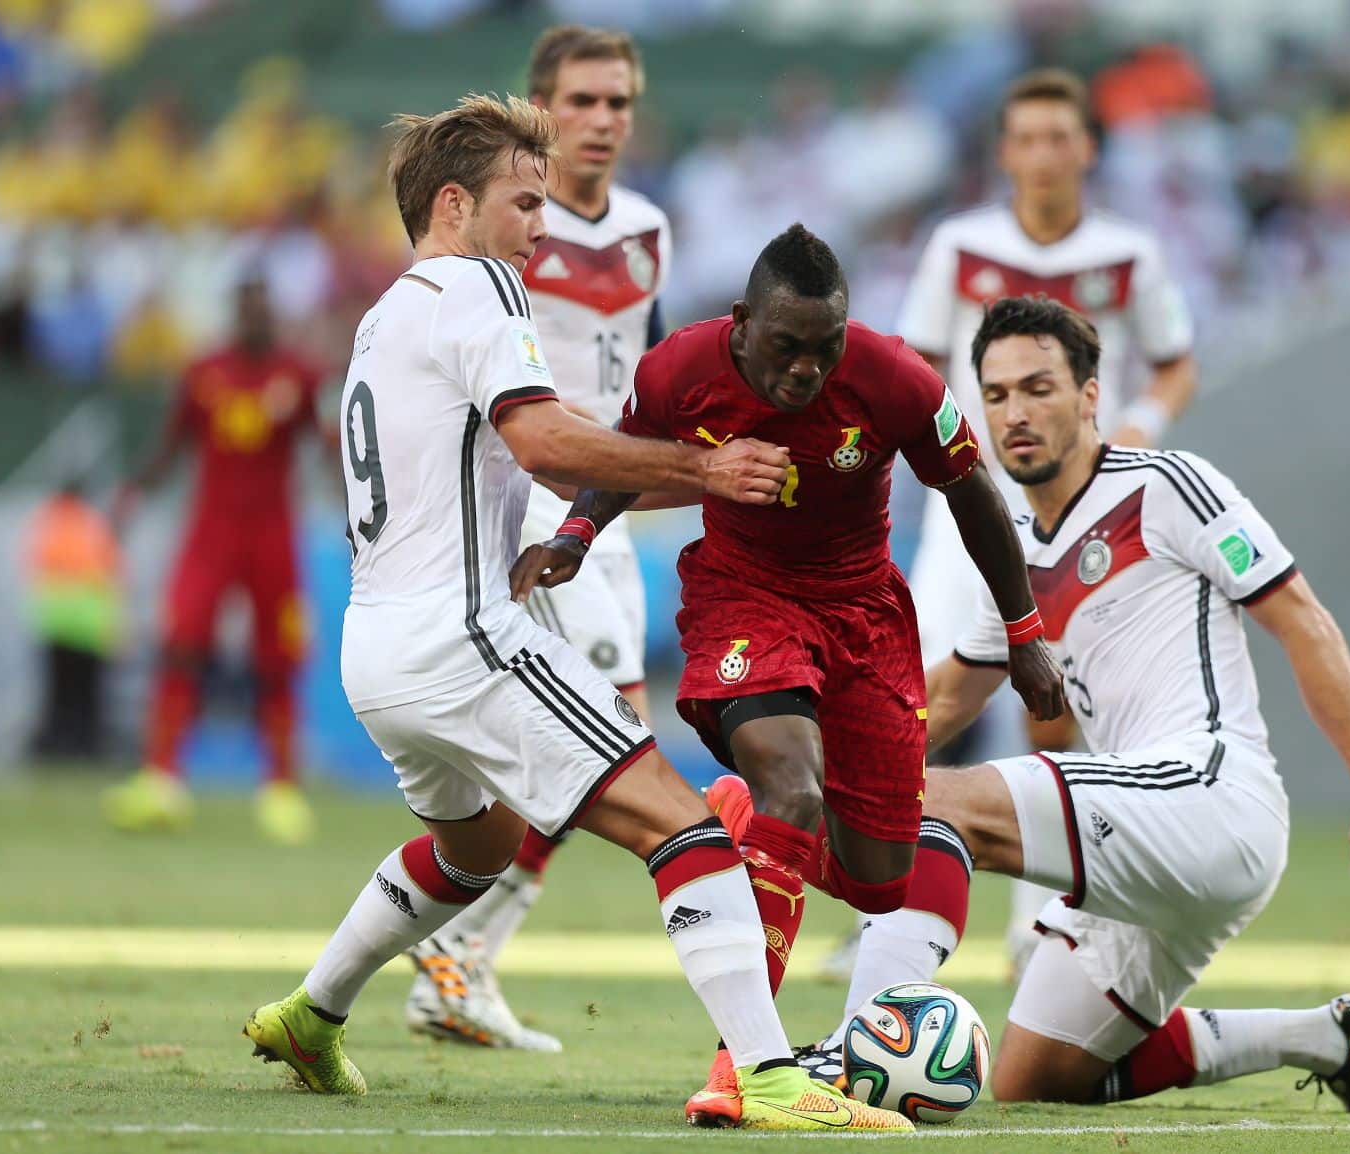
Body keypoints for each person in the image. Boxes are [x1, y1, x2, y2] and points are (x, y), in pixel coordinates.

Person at [237, 95, 912, 1132]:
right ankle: (771, 1074)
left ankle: (311, 1010)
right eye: (525, 202)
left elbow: (544, 456)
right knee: (683, 825)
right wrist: (702, 461)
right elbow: (548, 442)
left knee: (477, 846)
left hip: (376, 646)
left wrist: (702, 479)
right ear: (454, 204)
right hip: (465, 634)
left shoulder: (388, 312)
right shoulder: (478, 288)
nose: (543, 227)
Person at [762, 295, 1350, 1110]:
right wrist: (805, 764)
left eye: (1038, 387)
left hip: (1212, 797)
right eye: (995, 395)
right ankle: (1323, 1038)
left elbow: (1303, 622)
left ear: (1090, 395)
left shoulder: (1167, 487)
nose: (1016, 413)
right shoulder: (1013, 546)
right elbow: (942, 697)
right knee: (1034, 1077)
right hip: (1140, 839)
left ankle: (853, 1050)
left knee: (935, 806)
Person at [514, 223, 1065, 1127]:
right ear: (740, 325)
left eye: (823, 347)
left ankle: (744, 824)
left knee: (880, 879)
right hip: (746, 596)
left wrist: (1025, 631)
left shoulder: (895, 381)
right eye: (786, 347)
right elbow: (626, 451)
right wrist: (575, 537)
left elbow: (975, 497)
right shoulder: (676, 370)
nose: (806, 369)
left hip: (864, 616)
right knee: (792, 783)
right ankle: (748, 1069)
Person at [881, 68, 1202, 975]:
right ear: (1004, 151)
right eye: (1027, 138)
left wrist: (1137, 427)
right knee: (929, 686)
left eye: (1060, 137)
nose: (1043, 155)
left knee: (1062, 702)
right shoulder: (961, 245)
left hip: (1084, 504)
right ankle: (880, 884)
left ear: (1088, 148)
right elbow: (916, 363)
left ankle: (1038, 917)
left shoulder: (1129, 253)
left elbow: (1176, 363)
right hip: (974, 504)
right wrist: (947, 454)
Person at [402, 23, 671, 1055]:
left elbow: (639, 370)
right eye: (582, 101)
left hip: (602, 512)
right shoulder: (505, 229)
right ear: (540, 105)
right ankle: (457, 952)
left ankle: (457, 953)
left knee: (581, 747)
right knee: (608, 735)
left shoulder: (648, 228)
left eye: (618, 103)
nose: (601, 121)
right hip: (525, 509)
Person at [102, 277, 325, 845]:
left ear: (271, 316)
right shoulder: (205, 373)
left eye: (263, 311)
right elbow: (172, 443)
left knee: (277, 658)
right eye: (247, 310)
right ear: (235, 314)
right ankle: (162, 783)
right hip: (211, 530)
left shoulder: (297, 375)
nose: (255, 320)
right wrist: (134, 490)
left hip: (272, 532)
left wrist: (360, 510)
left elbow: (325, 446)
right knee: (182, 644)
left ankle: (280, 790)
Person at [25, 479, 122, 762]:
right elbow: (112, 577)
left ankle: (56, 752)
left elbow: (34, 566)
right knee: (88, 699)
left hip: (55, 624)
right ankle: (86, 751)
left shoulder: (48, 522)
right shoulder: (94, 525)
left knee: (58, 698)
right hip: (90, 628)